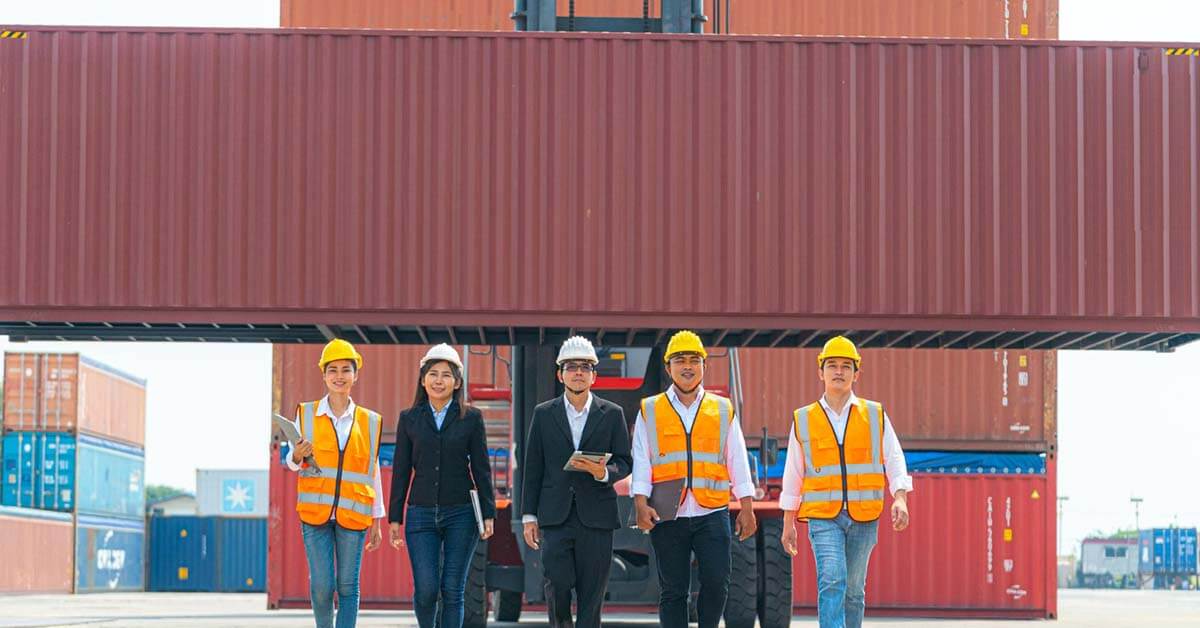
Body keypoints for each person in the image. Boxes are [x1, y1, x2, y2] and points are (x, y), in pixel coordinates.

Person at [780, 336, 913, 628]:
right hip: (822, 517)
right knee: (832, 579)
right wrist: (788, 521)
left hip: (864, 516)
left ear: (856, 373)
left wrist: (900, 497)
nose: (838, 371)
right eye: (832, 366)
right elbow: (793, 473)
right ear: (821, 372)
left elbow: (893, 457)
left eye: (845, 366)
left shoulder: (874, 414)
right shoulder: (804, 418)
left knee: (853, 590)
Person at [632, 330, 757, 628]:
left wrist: (747, 507)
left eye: (693, 360)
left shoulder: (722, 408)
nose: (687, 366)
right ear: (668, 367)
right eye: (679, 360)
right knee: (673, 591)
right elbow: (641, 461)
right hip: (668, 516)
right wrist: (639, 504)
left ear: (704, 365)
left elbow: (737, 459)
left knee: (717, 583)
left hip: (712, 513)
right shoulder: (650, 410)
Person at [520, 336, 633, 628]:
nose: (579, 372)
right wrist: (529, 516)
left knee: (591, 595)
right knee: (556, 584)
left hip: (597, 517)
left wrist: (605, 473)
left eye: (585, 367)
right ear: (560, 374)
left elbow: (625, 461)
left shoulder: (612, 415)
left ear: (595, 375)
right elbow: (533, 468)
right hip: (555, 516)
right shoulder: (543, 414)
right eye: (572, 367)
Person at [388, 343, 495, 628]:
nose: (438, 381)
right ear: (422, 380)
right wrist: (395, 517)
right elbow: (400, 471)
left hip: (461, 514)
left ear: (457, 382)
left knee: (452, 590)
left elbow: (482, 469)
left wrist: (488, 513)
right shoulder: (409, 418)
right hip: (420, 514)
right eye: (432, 374)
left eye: (446, 375)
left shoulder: (471, 418)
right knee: (426, 590)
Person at [285, 338, 385, 628]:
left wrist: (377, 519)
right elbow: (292, 463)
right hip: (315, 514)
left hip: (354, 514)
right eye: (333, 370)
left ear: (356, 374)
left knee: (348, 587)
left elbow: (373, 471)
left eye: (345, 369)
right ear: (324, 375)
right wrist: (297, 454)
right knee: (321, 586)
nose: (339, 376)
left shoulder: (370, 422)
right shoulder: (306, 413)